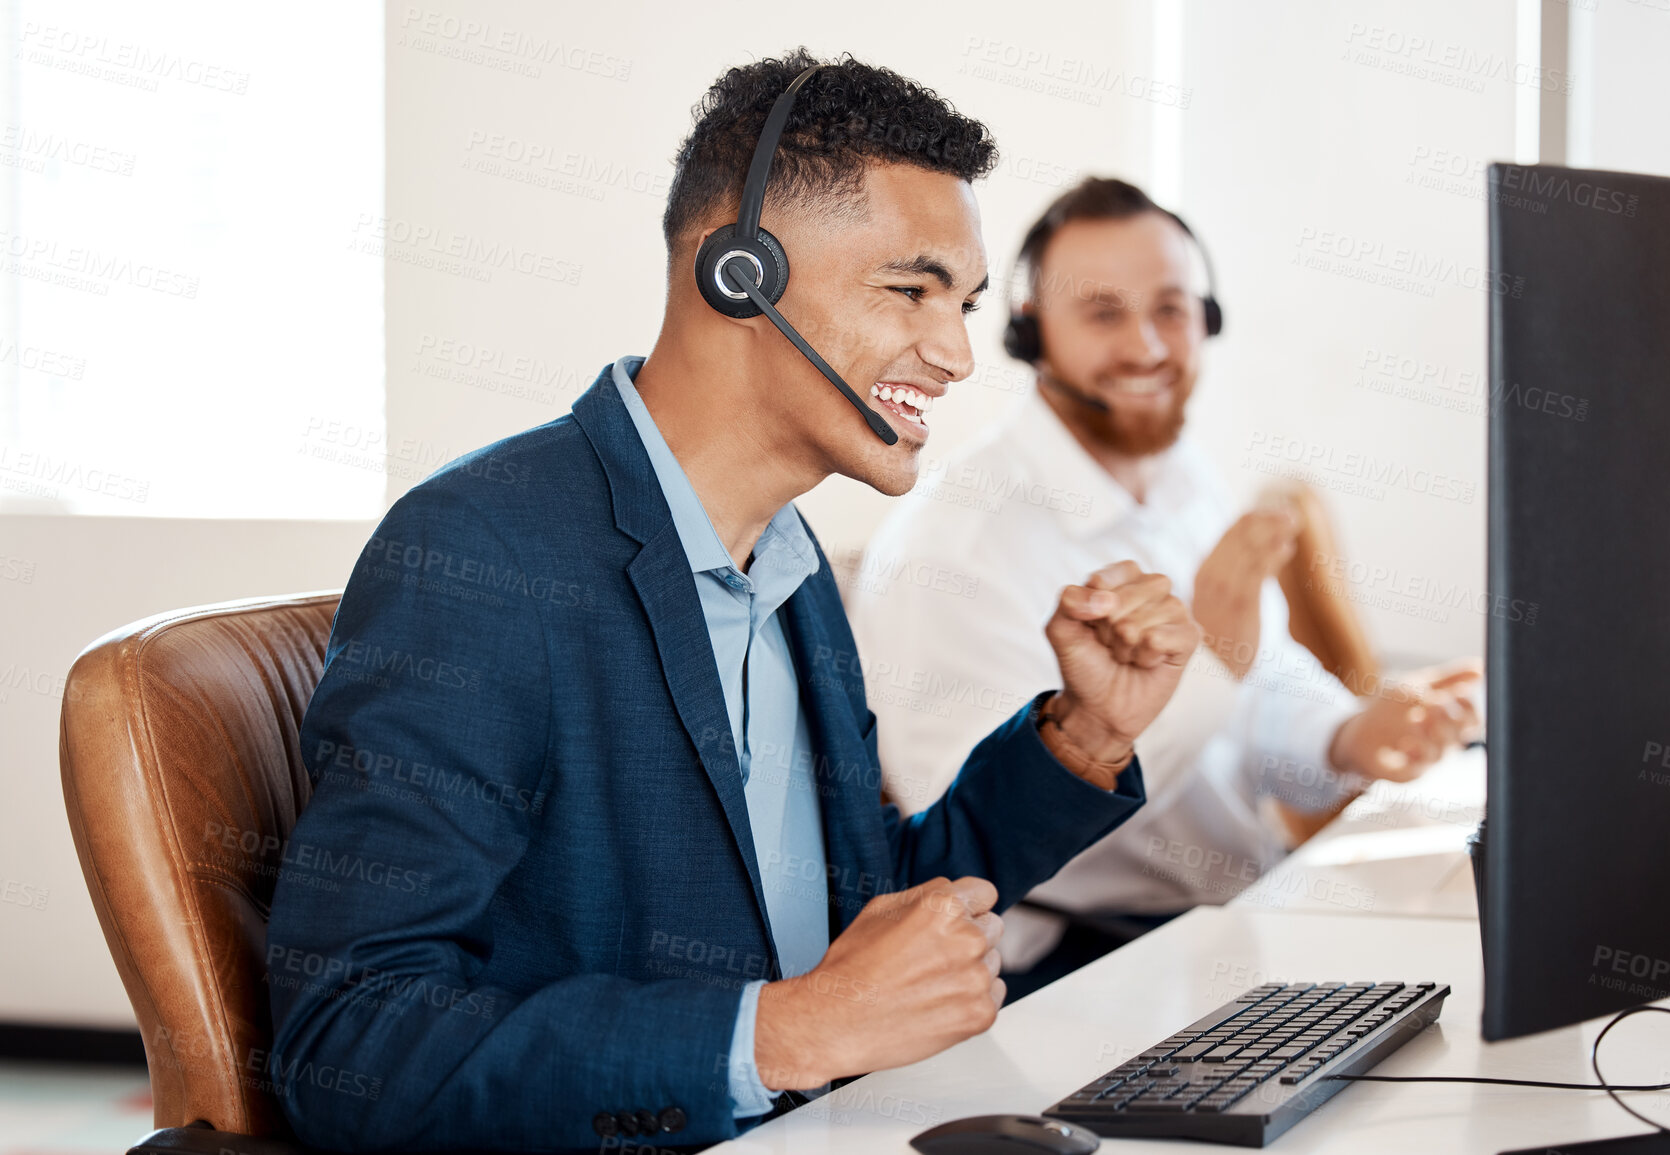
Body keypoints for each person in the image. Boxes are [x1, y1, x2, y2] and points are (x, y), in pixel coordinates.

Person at [266, 59, 1204, 1153]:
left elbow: (854, 908)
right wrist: (778, 1036)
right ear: (739, 273)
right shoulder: (481, 554)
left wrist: (1085, 733)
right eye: (911, 291)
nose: (954, 354)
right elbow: (349, 1047)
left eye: (965, 304)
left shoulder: (785, 553)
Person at [849, 176, 1479, 1000]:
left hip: (1227, 919)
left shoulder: (1180, 476)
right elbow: (970, 843)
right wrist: (1210, 663)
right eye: (1104, 312)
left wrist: (1348, 736)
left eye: (1172, 309)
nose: (1147, 346)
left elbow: (1262, 681)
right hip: (1075, 969)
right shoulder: (955, 544)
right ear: (1029, 334)